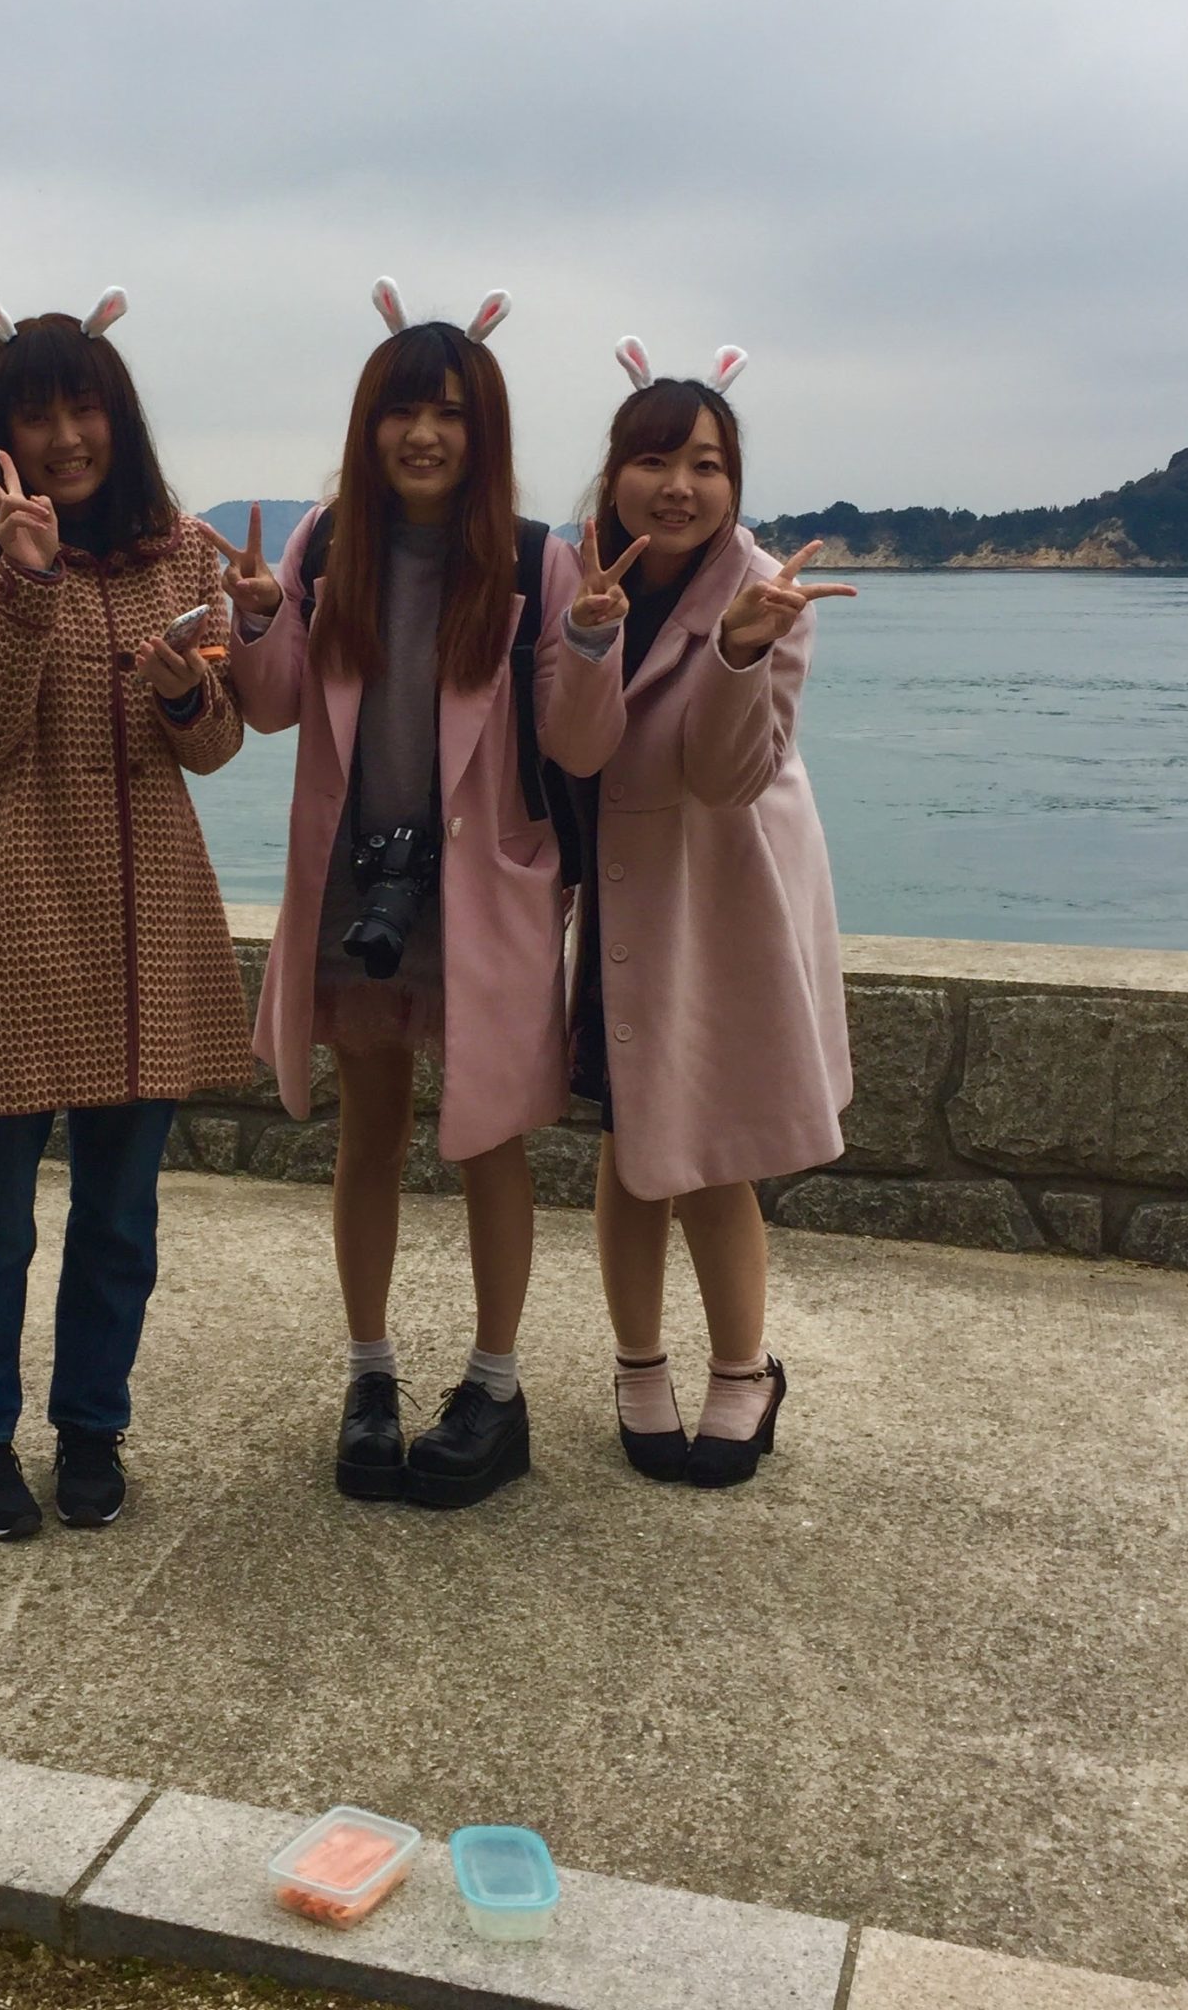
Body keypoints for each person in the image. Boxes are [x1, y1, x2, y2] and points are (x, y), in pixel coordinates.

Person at [0, 286, 253, 1541]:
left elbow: (216, 745)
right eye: (34, 413)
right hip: (10, 912)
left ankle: (94, 1428)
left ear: (120, 416)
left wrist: (176, 697)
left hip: (146, 918)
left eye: (83, 406)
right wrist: (28, 584)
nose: (64, 436)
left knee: (120, 1214)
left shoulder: (189, 552)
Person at [213, 282, 576, 1509]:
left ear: (486, 435)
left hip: (482, 891)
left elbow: (582, 743)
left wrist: (588, 647)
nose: (425, 436)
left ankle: (495, 1383)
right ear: (368, 430)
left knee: (488, 1138)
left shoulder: (538, 559)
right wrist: (259, 618)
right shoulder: (326, 547)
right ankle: (369, 1373)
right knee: (369, 1128)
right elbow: (269, 707)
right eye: (401, 415)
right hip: (361, 891)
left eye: (451, 415)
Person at [549, 338, 855, 1488]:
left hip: (719, 902)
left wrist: (735, 654)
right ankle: (639, 1360)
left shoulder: (767, 593)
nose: (680, 484)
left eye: (709, 464)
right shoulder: (579, 580)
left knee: (713, 1148)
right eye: (656, 459)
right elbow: (574, 747)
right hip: (622, 905)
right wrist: (584, 637)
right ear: (615, 471)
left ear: (735, 484)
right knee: (633, 1148)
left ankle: (743, 1366)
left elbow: (729, 779)